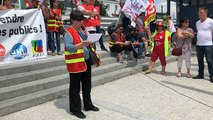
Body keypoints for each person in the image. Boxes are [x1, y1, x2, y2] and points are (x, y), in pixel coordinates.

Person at [64, 10, 99, 119]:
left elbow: (87, 45)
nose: (81, 22)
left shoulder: (82, 31)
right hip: (75, 63)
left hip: (85, 61)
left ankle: (88, 105)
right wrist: (81, 44)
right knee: (75, 88)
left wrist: (88, 37)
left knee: (87, 85)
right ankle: (75, 109)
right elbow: (69, 47)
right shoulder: (68, 32)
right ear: (73, 20)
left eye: (82, 20)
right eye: (79, 20)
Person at [193, 7, 213, 83]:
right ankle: (200, 74)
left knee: (210, 61)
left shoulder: (211, 21)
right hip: (199, 45)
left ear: (205, 13)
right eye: (199, 12)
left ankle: (212, 76)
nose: (199, 14)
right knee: (200, 60)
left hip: (208, 45)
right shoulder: (197, 23)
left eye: (201, 13)